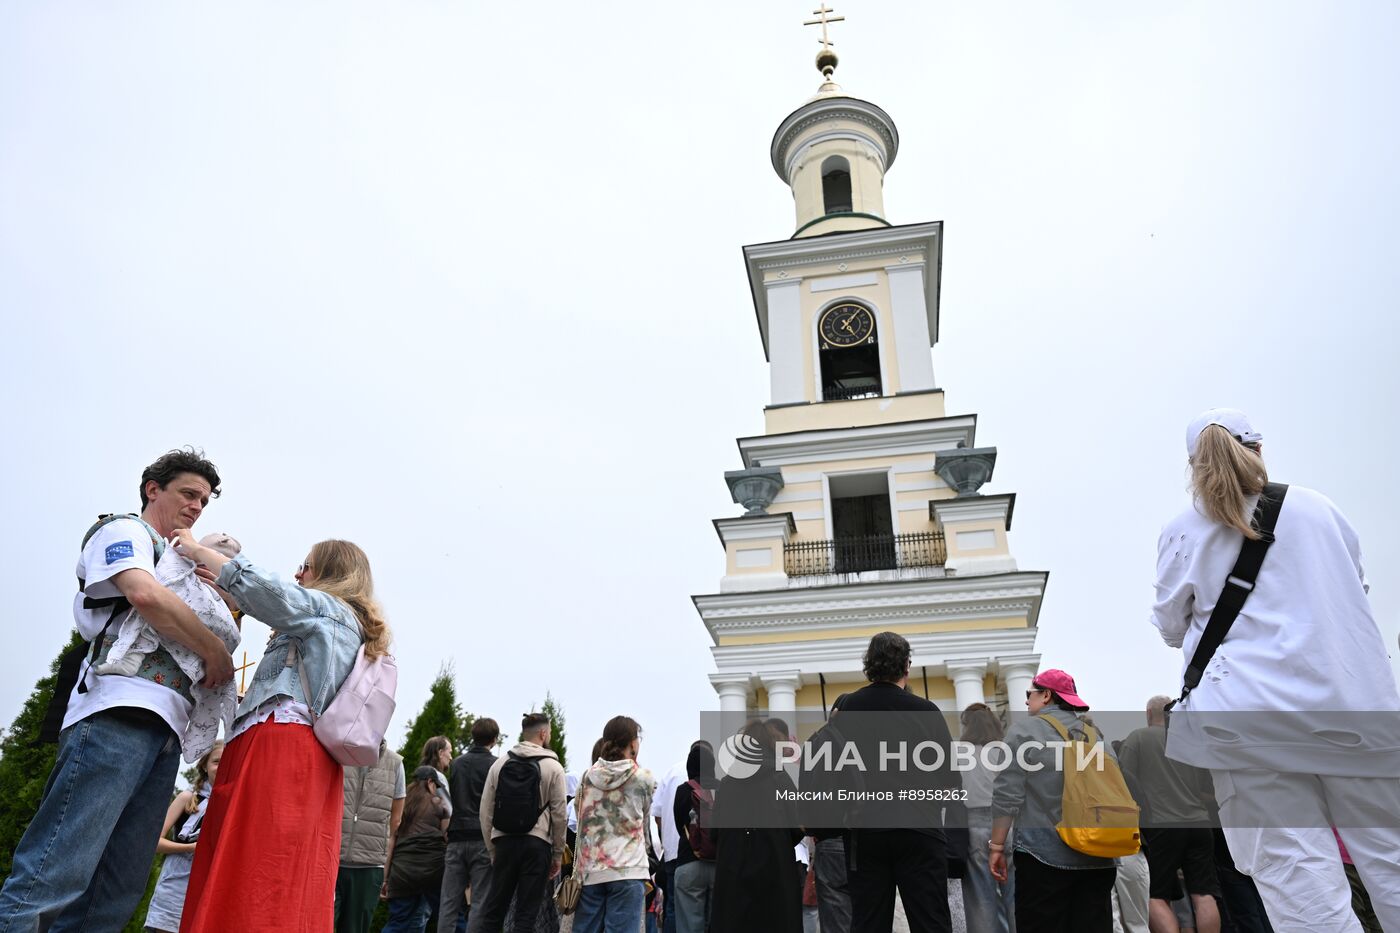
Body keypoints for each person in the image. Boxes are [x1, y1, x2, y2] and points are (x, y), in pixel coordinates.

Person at [1152, 409, 1400, 931]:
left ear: (1194, 467)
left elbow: (1172, 626)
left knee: (1299, 883)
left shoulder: (1183, 531)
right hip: (1354, 707)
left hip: (1246, 724)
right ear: (1259, 450)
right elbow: (1354, 588)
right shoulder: (1318, 508)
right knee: (1392, 859)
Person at [0, 449, 234, 933]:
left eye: (204, 501)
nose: (196, 506)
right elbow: (144, 594)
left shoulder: (181, 561)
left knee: (116, 890)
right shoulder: (124, 530)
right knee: (55, 869)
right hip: (117, 710)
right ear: (153, 489)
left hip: (168, 730)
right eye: (188, 493)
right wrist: (214, 649)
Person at [174, 536, 391, 933]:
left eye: (306, 566)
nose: (297, 574)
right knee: (274, 871)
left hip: (280, 748)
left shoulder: (328, 610)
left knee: (258, 868)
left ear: (331, 574)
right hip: (289, 751)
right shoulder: (339, 622)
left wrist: (200, 550)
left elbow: (269, 591)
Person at [837, 631, 962, 933]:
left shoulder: (848, 708)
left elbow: (834, 770)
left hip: (864, 832)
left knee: (868, 923)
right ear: (907, 666)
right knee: (931, 922)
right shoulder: (926, 711)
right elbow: (951, 780)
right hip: (920, 828)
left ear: (868, 665)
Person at [988, 670, 1118, 933]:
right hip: (1098, 856)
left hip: (1043, 856)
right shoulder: (1095, 735)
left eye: (1030, 694)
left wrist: (997, 846)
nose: (1026, 700)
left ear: (1046, 695)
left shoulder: (1024, 731)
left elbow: (1007, 795)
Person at [1117, 696, 1218, 933]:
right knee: (1204, 894)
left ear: (1148, 714)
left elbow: (1124, 783)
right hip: (1200, 823)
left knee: (1156, 895)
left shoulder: (1138, 738)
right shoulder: (1189, 743)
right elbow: (1208, 788)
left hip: (1162, 826)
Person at [710, 719, 804, 933]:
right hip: (775, 872)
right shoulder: (780, 778)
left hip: (733, 875)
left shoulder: (726, 784)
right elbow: (797, 827)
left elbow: (714, 833)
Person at [476, 713, 568, 933]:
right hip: (537, 845)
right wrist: (557, 855)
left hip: (504, 843)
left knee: (494, 911)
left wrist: (492, 849)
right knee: (526, 915)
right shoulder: (553, 767)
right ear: (543, 733)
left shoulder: (500, 764)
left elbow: (485, 812)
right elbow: (560, 815)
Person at [573, 716, 658, 933]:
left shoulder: (587, 777)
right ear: (633, 743)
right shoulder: (644, 778)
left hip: (591, 870)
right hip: (628, 868)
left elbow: (580, 815)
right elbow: (645, 821)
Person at [143, 742, 223, 933]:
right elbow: (154, 842)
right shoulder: (187, 798)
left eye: (227, 762)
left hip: (212, 886)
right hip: (176, 883)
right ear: (204, 765)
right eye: (216, 761)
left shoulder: (234, 802)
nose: (221, 767)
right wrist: (191, 848)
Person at [336, 740, 408, 933]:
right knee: (317, 924)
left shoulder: (395, 763)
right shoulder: (337, 752)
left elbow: (395, 821)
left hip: (369, 866)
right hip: (331, 859)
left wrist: (385, 869)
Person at [958, 703, 1015, 933]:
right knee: (1016, 897)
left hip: (974, 825)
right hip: (1008, 825)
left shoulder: (960, 753)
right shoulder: (1005, 750)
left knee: (980, 900)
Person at [442, 718, 501, 933]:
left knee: (449, 901)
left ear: (473, 736)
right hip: (482, 838)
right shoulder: (496, 765)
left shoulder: (457, 763)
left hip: (456, 835)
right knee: (479, 901)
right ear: (494, 739)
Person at [385, 767, 452, 932]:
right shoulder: (438, 803)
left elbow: (391, 842)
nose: (436, 790)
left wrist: (385, 878)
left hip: (402, 872)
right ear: (430, 782)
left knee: (397, 922)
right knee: (448, 917)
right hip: (433, 870)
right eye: (436, 786)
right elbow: (448, 837)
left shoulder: (403, 805)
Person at [670, 742, 718, 933]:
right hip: (719, 865)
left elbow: (679, 826)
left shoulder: (683, 791)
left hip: (688, 863)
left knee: (689, 927)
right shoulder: (722, 789)